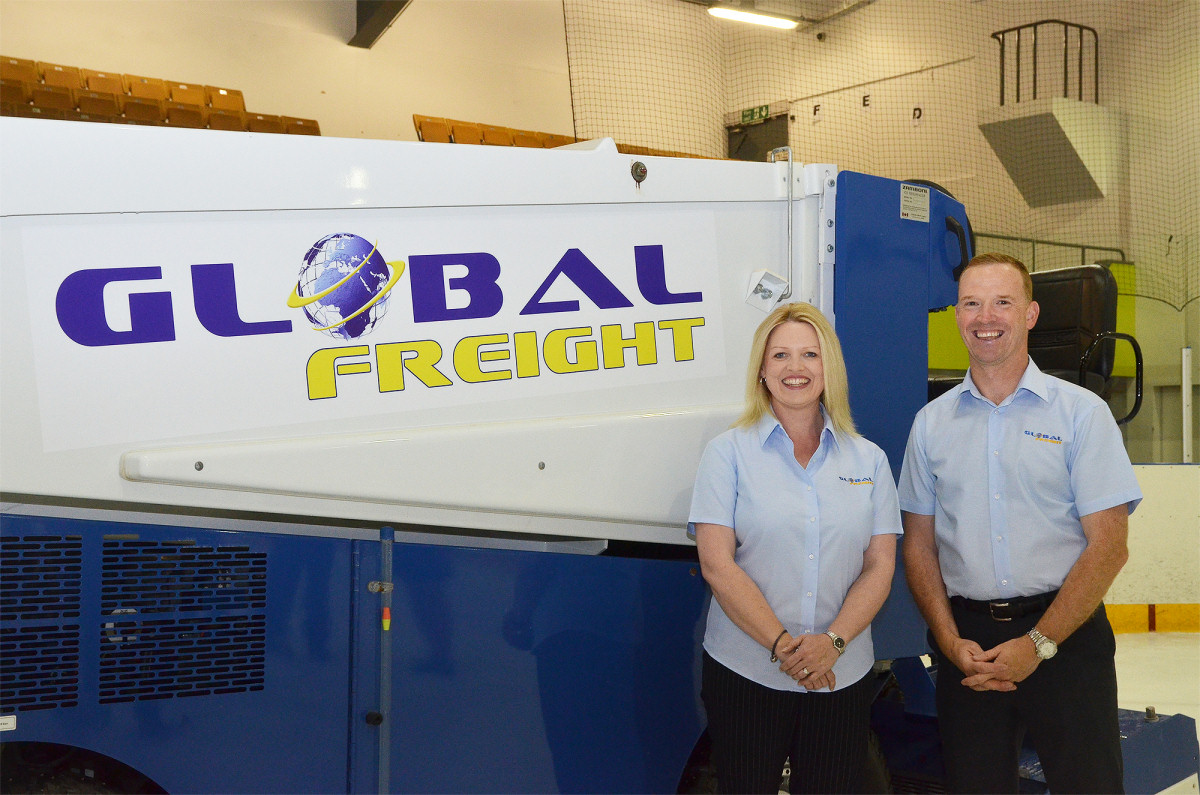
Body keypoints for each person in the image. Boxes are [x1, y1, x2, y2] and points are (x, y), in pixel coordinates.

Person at [899, 252, 1142, 794]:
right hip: (970, 649)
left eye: (1002, 302)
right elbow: (918, 546)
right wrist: (946, 638)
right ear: (958, 316)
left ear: (1030, 314)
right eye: (972, 303)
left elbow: (1109, 546)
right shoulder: (931, 424)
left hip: (1066, 640)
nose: (986, 317)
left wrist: (1038, 644)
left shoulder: (1081, 414)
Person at [688, 301, 901, 794]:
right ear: (762, 370)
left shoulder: (869, 459)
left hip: (840, 675)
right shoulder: (728, 453)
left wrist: (834, 645)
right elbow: (717, 565)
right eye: (780, 355)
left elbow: (880, 566)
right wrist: (787, 649)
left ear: (830, 368)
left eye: (809, 354)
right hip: (746, 671)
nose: (795, 368)